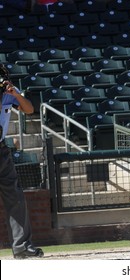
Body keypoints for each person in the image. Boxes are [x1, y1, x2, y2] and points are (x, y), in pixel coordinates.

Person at [0, 63, 44, 259]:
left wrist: (14, 94)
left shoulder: (9, 91)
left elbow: (29, 109)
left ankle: (22, 246)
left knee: (15, 197)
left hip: (1, 150)